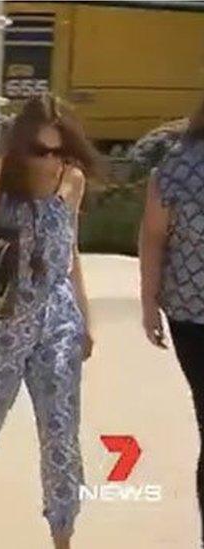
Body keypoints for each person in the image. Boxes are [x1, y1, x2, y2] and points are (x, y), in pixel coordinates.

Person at [0, 94, 98, 549]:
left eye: (59, 150)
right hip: (2, 318)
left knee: (61, 429)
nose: (50, 160)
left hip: (57, 318)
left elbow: (70, 254)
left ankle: (63, 534)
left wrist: (86, 319)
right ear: (19, 145)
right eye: (40, 150)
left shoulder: (72, 181)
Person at [139, 94, 204, 548]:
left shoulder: (176, 166)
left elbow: (154, 237)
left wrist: (149, 303)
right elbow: (155, 236)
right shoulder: (179, 167)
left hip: (188, 313)